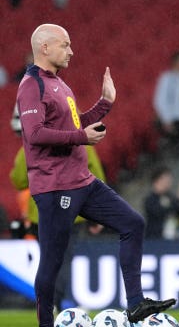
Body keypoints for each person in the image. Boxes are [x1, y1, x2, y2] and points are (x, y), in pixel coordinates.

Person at [16, 24, 176, 327]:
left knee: (132, 223)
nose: (71, 51)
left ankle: (135, 304)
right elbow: (34, 134)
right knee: (53, 259)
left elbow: (76, 125)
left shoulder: (59, 84)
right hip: (55, 187)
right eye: (65, 45)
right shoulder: (31, 85)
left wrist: (104, 104)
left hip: (83, 181)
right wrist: (81, 137)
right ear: (44, 47)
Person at [9, 103, 106, 310]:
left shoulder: (35, 143)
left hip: (42, 212)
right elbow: (96, 174)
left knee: (47, 261)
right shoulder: (81, 141)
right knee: (63, 260)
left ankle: (46, 301)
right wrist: (97, 215)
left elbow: (18, 179)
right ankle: (55, 302)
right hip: (73, 211)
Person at [143, 166, 179, 240]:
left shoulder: (171, 197)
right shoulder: (150, 199)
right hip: (155, 239)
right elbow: (159, 212)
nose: (169, 182)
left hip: (173, 238)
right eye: (166, 179)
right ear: (157, 180)